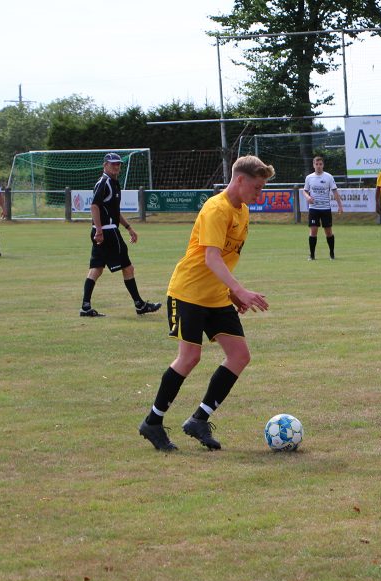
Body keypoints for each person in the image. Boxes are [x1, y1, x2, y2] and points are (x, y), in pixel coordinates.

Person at [138, 155, 274, 452]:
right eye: (257, 187)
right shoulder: (216, 209)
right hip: (188, 292)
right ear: (240, 180)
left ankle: (199, 419)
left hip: (215, 296)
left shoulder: (243, 211)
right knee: (190, 357)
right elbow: (211, 257)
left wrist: (232, 294)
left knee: (239, 356)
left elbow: (223, 259)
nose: (259, 193)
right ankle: (153, 422)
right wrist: (240, 289)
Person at [79, 153, 161, 318]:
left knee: (96, 269)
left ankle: (85, 307)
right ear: (105, 165)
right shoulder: (105, 183)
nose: (116, 167)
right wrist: (100, 230)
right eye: (113, 164)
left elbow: (114, 211)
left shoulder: (113, 183)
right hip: (108, 232)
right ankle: (140, 305)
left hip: (105, 230)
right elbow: (94, 206)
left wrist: (128, 227)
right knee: (128, 268)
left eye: (118, 164)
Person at [302, 155, 343, 260]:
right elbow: (305, 191)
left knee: (328, 231)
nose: (318, 166)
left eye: (320, 164)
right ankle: (312, 255)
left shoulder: (328, 177)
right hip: (314, 208)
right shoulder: (309, 177)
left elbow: (335, 191)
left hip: (325, 208)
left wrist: (340, 206)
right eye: (316, 164)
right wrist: (307, 197)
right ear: (313, 165)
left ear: (323, 165)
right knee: (313, 230)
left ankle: (332, 254)